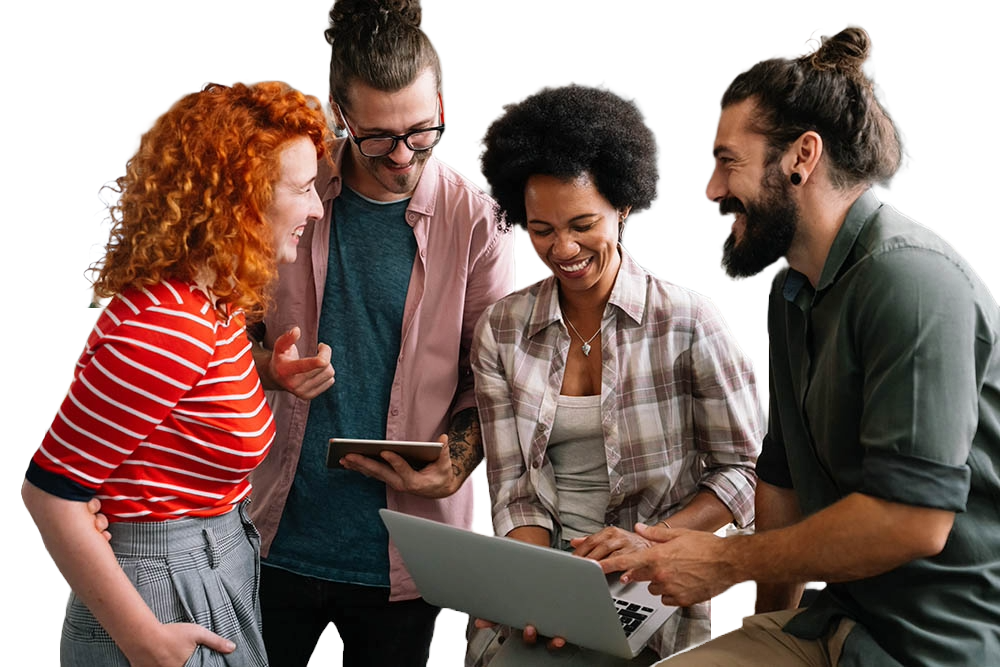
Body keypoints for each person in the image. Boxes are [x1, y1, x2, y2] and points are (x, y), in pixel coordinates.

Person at [601, 23, 1000, 666]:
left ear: (801, 157)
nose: (710, 190)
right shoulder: (792, 288)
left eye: (727, 161)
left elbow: (913, 520)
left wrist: (724, 561)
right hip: (832, 626)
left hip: (932, 650)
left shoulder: (914, 282)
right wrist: (767, 632)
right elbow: (782, 482)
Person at [22, 78, 329, 666]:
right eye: (304, 188)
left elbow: (176, 410)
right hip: (162, 594)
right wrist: (144, 640)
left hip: (212, 565)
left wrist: (267, 373)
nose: (315, 208)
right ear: (242, 198)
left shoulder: (211, 301)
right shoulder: (167, 323)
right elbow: (51, 496)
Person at [245, 1, 516, 664]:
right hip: (268, 532)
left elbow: (494, 380)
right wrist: (265, 365)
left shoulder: (481, 221)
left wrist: (453, 465)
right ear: (340, 111)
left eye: (423, 132)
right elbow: (219, 330)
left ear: (444, 101)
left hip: (407, 554)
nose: (402, 157)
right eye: (378, 138)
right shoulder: (284, 189)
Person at [466, 80, 763, 665]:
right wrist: (536, 587)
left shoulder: (689, 322)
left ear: (623, 208)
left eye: (583, 224)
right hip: (546, 569)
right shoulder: (502, 330)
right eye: (541, 230)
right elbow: (514, 493)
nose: (563, 248)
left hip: (651, 582)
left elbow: (747, 470)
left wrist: (646, 545)